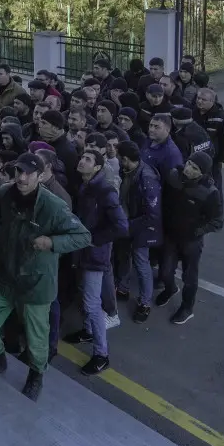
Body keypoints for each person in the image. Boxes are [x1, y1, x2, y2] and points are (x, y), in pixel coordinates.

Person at [0, 151, 91, 402]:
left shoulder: (53, 205)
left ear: (40, 176)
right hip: (6, 277)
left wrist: (52, 241)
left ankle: (36, 376)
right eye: (19, 172)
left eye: (29, 173)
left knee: (36, 340)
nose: (22, 178)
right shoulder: (3, 193)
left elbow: (83, 236)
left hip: (36, 283)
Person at [69, 151, 128, 375]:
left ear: (97, 168)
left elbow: (121, 226)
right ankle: (87, 330)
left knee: (93, 304)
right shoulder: (86, 186)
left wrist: (95, 240)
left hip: (95, 255)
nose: (81, 161)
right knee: (85, 294)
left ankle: (101, 354)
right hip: (84, 251)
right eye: (82, 157)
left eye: (88, 160)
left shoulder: (104, 191)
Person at [157, 152, 223, 325]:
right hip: (171, 235)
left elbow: (217, 221)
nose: (188, 169)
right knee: (165, 271)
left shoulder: (209, 192)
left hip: (191, 241)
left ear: (203, 173)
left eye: (194, 168)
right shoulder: (173, 177)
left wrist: (197, 231)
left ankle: (187, 308)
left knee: (189, 277)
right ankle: (170, 289)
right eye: (188, 163)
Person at [115, 142, 162, 323]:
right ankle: (123, 287)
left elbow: (152, 214)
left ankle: (145, 302)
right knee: (124, 257)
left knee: (142, 264)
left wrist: (129, 225)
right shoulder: (128, 171)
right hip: (128, 224)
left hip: (140, 228)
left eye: (120, 158)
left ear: (125, 159)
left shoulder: (147, 178)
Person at [193, 88, 224, 211]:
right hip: (195, 158)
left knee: (214, 186)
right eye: (198, 98)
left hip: (212, 160)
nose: (199, 101)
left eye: (203, 99)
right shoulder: (193, 113)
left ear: (212, 101)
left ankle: (217, 214)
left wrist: (220, 158)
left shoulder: (221, 118)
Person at [140, 113, 183, 182]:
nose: (151, 129)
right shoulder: (148, 140)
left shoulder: (172, 153)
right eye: (151, 125)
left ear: (167, 129)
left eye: (156, 127)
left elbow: (171, 183)